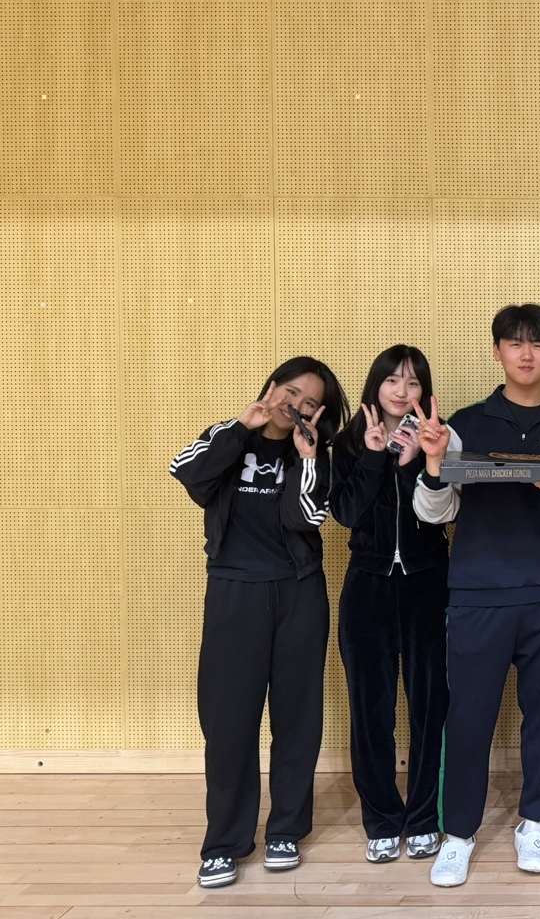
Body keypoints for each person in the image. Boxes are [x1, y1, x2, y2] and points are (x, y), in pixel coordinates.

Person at [412, 304, 540, 888]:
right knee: (467, 719)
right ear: (497, 352)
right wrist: (435, 462)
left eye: (537, 343)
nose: (526, 353)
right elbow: (435, 512)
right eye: (514, 343)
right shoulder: (464, 424)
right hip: (477, 594)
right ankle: (458, 834)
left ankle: (534, 823)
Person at [170, 357, 350, 889]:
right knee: (228, 722)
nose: (295, 405)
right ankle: (224, 844)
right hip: (235, 593)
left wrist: (307, 459)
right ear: (271, 388)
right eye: (290, 392)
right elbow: (187, 471)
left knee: (297, 718)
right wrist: (239, 428)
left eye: (310, 402)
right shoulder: (229, 436)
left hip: (299, 593)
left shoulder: (315, 455)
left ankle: (285, 832)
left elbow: (305, 517)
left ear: (318, 415)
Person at [331, 345, 450, 865]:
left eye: (414, 382)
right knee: (370, 710)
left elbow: (442, 514)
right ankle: (381, 819)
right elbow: (346, 512)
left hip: (428, 583)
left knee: (430, 706)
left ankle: (422, 817)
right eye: (393, 380)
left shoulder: (437, 437)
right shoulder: (348, 442)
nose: (402, 391)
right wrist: (375, 455)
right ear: (375, 385)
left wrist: (417, 460)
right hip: (368, 586)